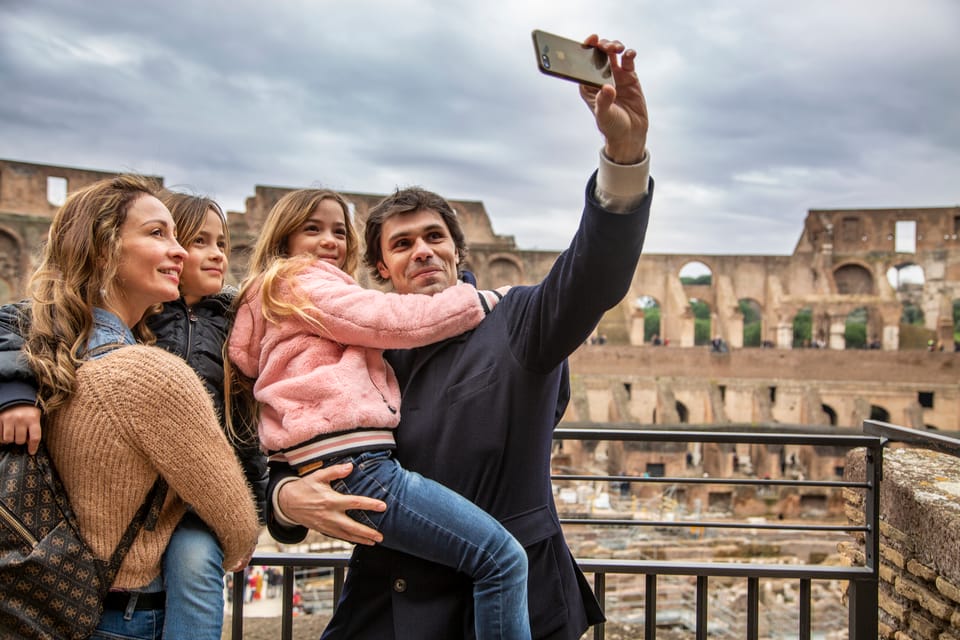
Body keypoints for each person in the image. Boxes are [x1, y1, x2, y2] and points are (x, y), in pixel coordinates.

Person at [266, 34, 653, 639]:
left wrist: (624, 156)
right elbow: (282, 437)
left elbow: (596, 272)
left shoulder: (518, 319)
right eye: (402, 244)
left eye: (433, 237)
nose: (421, 251)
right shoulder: (353, 344)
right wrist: (285, 499)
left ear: (456, 249)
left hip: (501, 604)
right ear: (381, 271)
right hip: (387, 600)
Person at [226, 187, 529, 639]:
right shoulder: (304, 282)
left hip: (328, 460)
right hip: (359, 462)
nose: (330, 241)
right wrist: (484, 301)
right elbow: (390, 319)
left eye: (338, 231)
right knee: (501, 559)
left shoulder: (272, 301)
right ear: (284, 241)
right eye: (313, 229)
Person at [0, 190, 269, 640]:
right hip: (127, 615)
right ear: (105, 249)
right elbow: (237, 523)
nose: (181, 251)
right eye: (158, 233)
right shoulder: (151, 374)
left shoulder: (53, 351)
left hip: (49, 602)